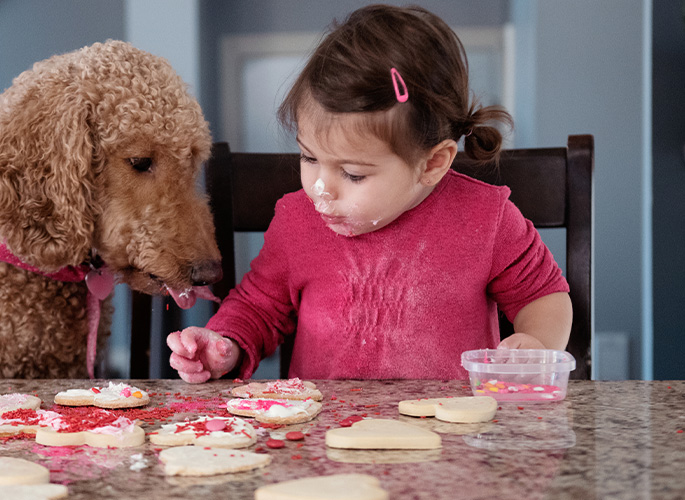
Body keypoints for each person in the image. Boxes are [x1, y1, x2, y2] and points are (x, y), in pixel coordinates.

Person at [168, 4, 572, 383]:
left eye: (353, 173)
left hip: (451, 437)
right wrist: (226, 344)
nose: (322, 188)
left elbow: (544, 296)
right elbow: (258, 307)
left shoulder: (487, 218)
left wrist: (535, 345)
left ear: (432, 163)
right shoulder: (297, 219)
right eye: (309, 158)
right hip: (322, 436)